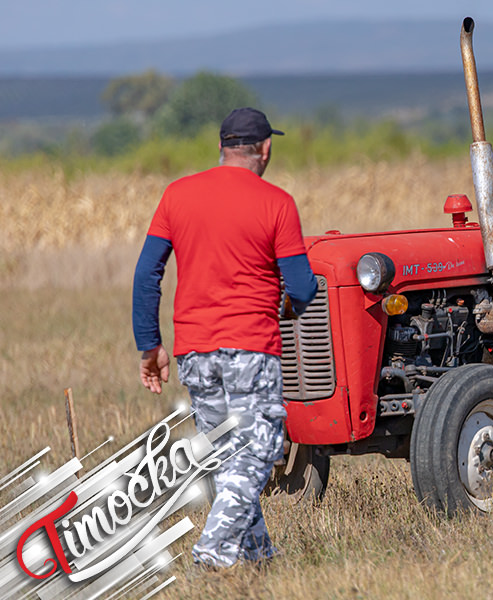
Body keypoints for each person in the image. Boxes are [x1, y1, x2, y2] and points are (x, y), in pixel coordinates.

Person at [131, 107, 318, 568]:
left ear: (221, 146)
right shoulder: (277, 203)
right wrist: (289, 306)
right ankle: (212, 552)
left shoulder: (176, 195)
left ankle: (257, 556)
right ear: (265, 149)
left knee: (226, 455)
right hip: (251, 347)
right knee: (257, 452)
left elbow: (147, 274)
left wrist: (150, 345)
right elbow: (302, 287)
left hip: (195, 351)